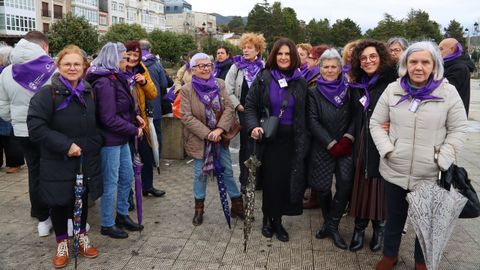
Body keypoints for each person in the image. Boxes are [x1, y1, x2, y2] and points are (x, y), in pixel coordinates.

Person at [370, 41, 468, 270]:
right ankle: (390, 255)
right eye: (413, 61)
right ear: (405, 64)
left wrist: (442, 158)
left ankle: (421, 261)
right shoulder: (393, 90)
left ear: (434, 65)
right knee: (394, 216)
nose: (419, 67)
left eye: (425, 62)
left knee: (426, 221)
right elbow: (375, 123)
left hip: (430, 171)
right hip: (395, 167)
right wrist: (388, 150)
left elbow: (459, 129)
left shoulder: (448, 92)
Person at [27, 45, 101, 269]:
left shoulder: (89, 91)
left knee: (82, 198)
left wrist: (95, 143)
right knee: (59, 202)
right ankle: (62, 243)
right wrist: (65, 145)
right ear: (58, 66)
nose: (72, 68)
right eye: (67, 64)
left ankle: (80, 237)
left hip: (85, 158)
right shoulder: (46, 93)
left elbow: (94, 124)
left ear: (84, 67)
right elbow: (35, 127)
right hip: (58, 159)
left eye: (77, 64)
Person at [245, 38, 309, 242]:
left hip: (292, 140)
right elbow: (250, 105)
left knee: (285, 183)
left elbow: (307, 112)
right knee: (271, 182)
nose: (283, 57)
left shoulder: (301, 82)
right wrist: (253, 126)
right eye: (280, 53)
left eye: (288, 54)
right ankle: (267, 219)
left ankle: (278, 221)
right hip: (269, 138)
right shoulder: (264, 77)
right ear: (274, 55)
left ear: (294, 57)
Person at [85, 42, 145, 239]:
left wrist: (135, 115)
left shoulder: (115, 77)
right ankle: (106, 223)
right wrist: (134, 130)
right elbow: (108, 118)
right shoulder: (104, 82)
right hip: (110, 140)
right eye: (123, 58)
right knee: (111, 182)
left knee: (127, 177)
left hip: (120, 137)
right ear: (113, 59)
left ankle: (121, 214)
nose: (127, 62)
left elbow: (124, 104)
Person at [0, 31, 56, 236]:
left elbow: (2, 106)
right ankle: (55, 213)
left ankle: (41, 216)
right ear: (44, 47)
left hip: (22, 132)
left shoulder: (7, 72)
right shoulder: (51, 69)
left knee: (34, 172)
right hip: (49, 131)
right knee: (55, 172)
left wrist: (16, 121)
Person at [180, 52, 244, 226]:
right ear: (193, 69)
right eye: (201, 66)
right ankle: (199, 210)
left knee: (228, 172)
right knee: (200, 175)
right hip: (200, 140)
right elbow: (186, 116)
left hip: (220, 138)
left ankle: (237, 207)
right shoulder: (187, 89)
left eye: (208, 65)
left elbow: (230, 108)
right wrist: (208, 133)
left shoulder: (220, 84)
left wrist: (219, 129)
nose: (206, 68)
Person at [348, 40, 397, 252]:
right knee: (361, 185)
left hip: (383, 141)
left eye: (372, 57)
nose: (368, 61)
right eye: (363, 58)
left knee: (380, 188)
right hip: (361, 141)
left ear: (381, 58)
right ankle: (359, 229)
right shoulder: (358, 83)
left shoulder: (392, 83)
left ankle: (379, 228)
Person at [308, 48, 355, 249]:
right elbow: (312, 120)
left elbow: (356, 116)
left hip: (346, 146)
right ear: (320, 69)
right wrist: (330, 143)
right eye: (325, 67)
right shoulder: (313, 92)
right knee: (323, 188)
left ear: (340, 68)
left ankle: (332, 225)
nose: (329, 70)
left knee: (345, 185)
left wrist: (347, 138)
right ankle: (329, 223)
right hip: (323, 147)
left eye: (333, 67)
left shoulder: (351, 89)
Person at [225, 33, 266, 192]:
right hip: (243, 112)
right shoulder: (236, 66)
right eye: (244, 47)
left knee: (260, 145)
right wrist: (237, 105)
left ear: (258, 50)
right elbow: (228, 90)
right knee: (246, 147)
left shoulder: (263, 67)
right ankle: (244, 180)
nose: (246, 50)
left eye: (250, 48)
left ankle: (258, 180)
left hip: (260, 113)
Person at [123, 40, 161, 199]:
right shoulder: (118, 71)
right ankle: (128, 195)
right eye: (129, 54)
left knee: (146, 154)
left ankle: (148, 186)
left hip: (141, 121)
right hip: (124, 122)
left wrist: (144, 82)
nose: (132, 58)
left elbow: (153, 93)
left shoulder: (141, 69)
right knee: (127, 162)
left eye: (135, 55)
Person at [139, 39, 168, 197]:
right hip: (153, 109)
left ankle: (140, 186)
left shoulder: (133, 64)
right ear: (150, 49)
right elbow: (163, 83)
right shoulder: (156, 64)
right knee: (154, 142)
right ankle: (156, 163)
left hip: (137, 114)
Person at [302, 44, 329, 209]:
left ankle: (316, 197)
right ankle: (314, 195)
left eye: (310, 57)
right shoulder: (309, 73)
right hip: (312, 125)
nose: (307, 60)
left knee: (317, 162)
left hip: (317, 126)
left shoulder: (317, 77)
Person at [0, 44, 24, 173]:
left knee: (11, 139)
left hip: (10, 107)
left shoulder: (10, 71)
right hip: (4, 106)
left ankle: (15, 163)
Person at [439, 38, 476, 116]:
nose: (439, 52)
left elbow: (444, 91)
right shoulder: (450, 64)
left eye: (441, 49)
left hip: (454, 114)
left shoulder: (459, 68)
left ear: (452, 49)